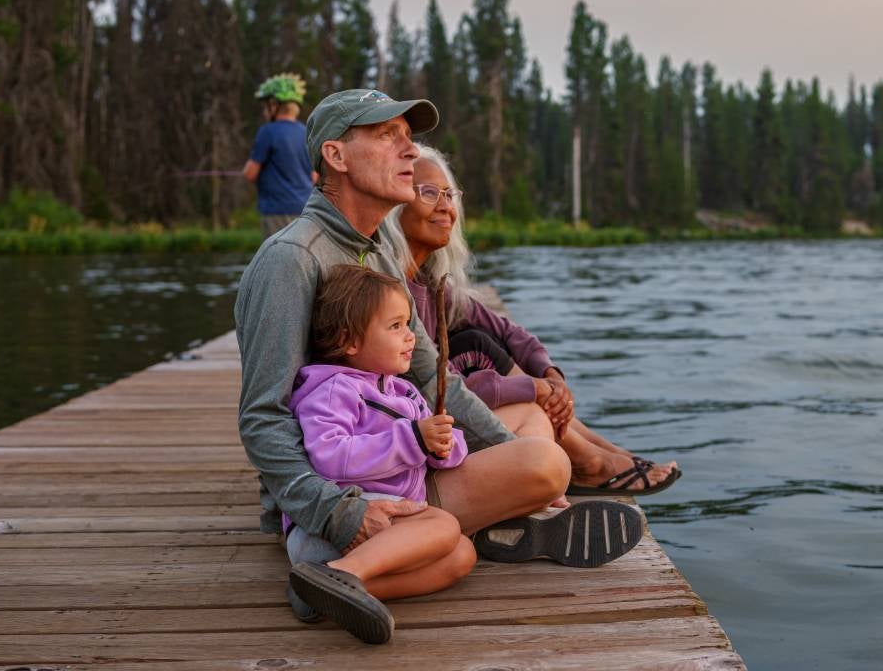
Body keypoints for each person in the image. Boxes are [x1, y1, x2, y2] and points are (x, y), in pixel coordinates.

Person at [235, 89, 644, 634]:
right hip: (342, 493)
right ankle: (327, 562)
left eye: (409, 138)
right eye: (388, 137)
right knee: (546, 463)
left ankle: (377, 565)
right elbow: (263, 417)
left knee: (513, 468)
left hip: (398, 461)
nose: (410, 152)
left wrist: (501, 451)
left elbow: (428, 372)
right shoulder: (291, 260)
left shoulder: (377, 245)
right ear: (335, 156)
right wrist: (336, 512)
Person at [379, 145, 681, 495]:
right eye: (429, 193)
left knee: (478, 341)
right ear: (395, 203)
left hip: (444, 415)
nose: (446, 206)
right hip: (419, 434)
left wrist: (550, 374)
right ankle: (588, 462)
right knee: (527, 404)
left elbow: (508, 331)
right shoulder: (392, 292)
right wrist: (534, 388)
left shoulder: (431, 281)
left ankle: (599, 451)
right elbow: (430, 389)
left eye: (449, 194)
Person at [287, 265, 473, 644]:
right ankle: (338, 572)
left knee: (462, 555)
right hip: (338, 523)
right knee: (445, 527)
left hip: (384, 528)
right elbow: (329, 456)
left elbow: (435, 448)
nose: (409, 336)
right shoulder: (334, 389)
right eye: (395, 326)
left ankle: (322, 592)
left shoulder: (404, 394)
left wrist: (442, 446)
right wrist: (413, 440)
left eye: (408, 323)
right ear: (349, 341)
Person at [241, 73, 320, 238]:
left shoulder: (267, 132)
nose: (264, 111)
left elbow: (250, 173)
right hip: (306, 210)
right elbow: (314, 176)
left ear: (274, 105)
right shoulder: (306, 132)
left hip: (277, 210)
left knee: (277, 259)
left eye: (265, 106)